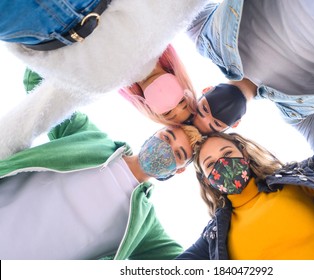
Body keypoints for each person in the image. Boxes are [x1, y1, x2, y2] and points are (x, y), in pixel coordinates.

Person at [186, 0, 314, 202]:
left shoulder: (206, 36)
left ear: (206, 90)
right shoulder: (298, 114)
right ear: (235, 125)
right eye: (216, 124)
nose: (213, 113)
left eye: (204, 109)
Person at [0, 70, 202, 260]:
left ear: (179, 170)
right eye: (167, 137)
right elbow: (40, 83)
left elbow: (187, 267)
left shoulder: (143, 225)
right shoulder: (88, 138)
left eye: (177, 153)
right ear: (154, 133)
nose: (165, 150)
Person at [177, 92, 314, 260]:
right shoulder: (213, 239)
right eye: (211, 164)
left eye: (227, 154)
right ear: (205, 180)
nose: (223, 165)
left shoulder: (298, 180)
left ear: (244, 154)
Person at [0, 0, 207, 160]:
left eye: (169, 113)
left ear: (151, 111)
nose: (171, 102)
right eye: (181, 101)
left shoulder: (97, 89)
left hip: (32, 26)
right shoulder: (168, 23)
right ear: (183, 82)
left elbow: (30, 121)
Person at [118, 44, 197, 125]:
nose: (169, 100)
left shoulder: (114, 77)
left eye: (167, 112)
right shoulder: (159, 41)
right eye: (181, 101)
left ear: (150, 109)